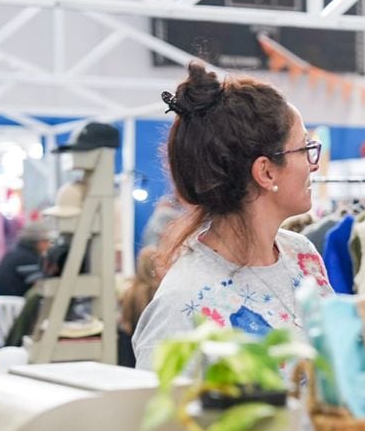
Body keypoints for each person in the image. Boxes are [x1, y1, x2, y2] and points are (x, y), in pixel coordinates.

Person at [133, 63, 334, 373]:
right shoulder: (180, 304)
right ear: (266, 171)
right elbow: (159, 415)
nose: (314, 165)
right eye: (305, 148)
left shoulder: (302, 254)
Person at [117, 245, 165, 367]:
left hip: (129, 353)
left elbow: (124, 323)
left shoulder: (129, 292)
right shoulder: (158, 293)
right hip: (152, 351)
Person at [0, 220, 51, 296]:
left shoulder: (17, 251)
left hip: (3, 298)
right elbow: (40, 285)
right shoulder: (27, 258)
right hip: (13, 301)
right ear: (36, 241)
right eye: (46, 241)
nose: (48, 245)